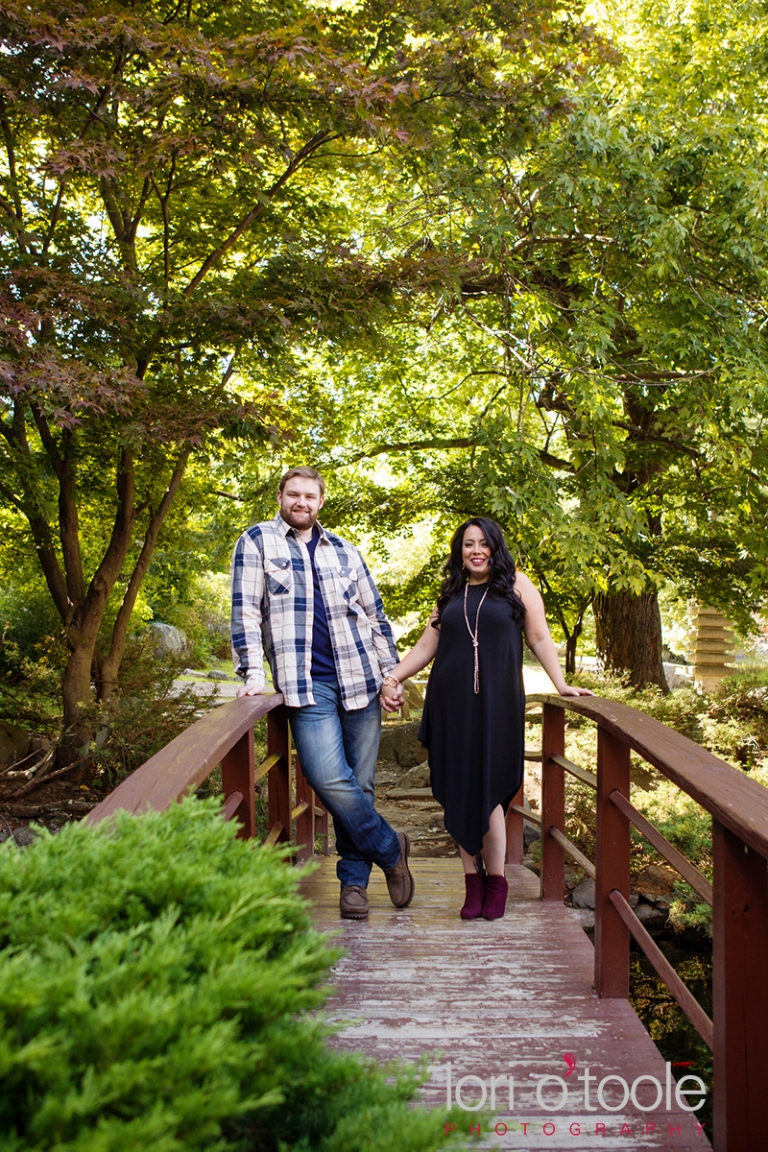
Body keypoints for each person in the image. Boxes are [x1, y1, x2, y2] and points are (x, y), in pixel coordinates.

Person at [380, 517, 593, 921]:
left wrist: (562, 684)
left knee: (490, 790)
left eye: (483, 543)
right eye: (467, 544)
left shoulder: (516, 584)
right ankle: (470, 881)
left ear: (495, 546)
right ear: (459, 551)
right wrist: (392, 676)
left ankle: (495, 879)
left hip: (497, 706)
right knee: (459, 789)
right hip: (451, 705)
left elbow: (540, 637)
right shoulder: (451, 593)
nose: (475, 550)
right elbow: (428, 644)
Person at [231, 466, 414, 921]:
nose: (301, 503)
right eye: (293, 494)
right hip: (305, 685)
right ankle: (391, 848)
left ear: (321, 502)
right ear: (280, 497)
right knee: (328, 777)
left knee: (361, 785)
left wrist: (392, 676)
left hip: (361, 680)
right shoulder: (255, 542)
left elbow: (376, 617)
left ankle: (353, 884)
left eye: (310, 496)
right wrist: (253, 671)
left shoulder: (345, 551)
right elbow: (246, 614)